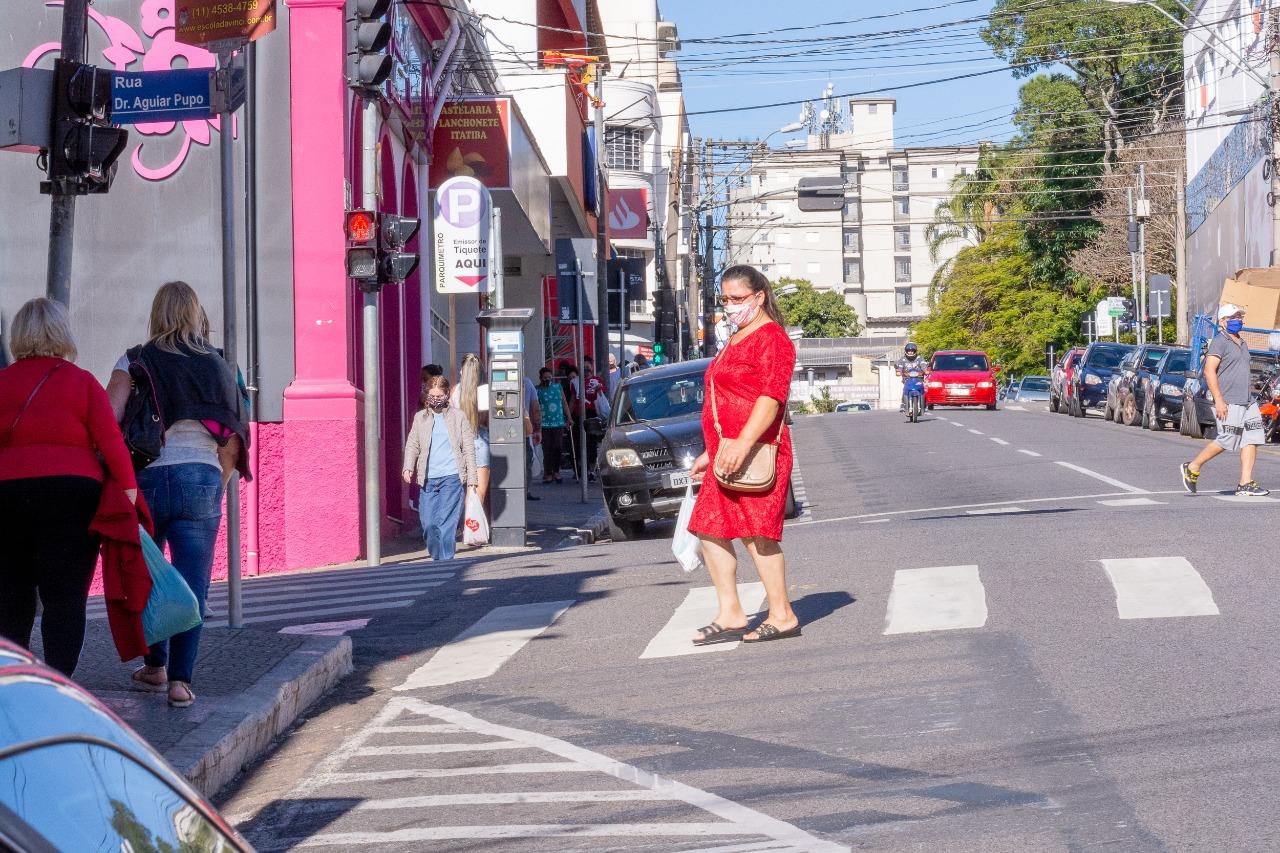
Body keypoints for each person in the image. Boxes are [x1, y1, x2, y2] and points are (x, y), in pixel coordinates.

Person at [107, 282, 249, 708]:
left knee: (150, 577)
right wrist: (217, 482)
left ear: (157, 315)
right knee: (193, 584)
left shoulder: (133, 360)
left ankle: (155, 666)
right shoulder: (222, 364)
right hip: (201, 477)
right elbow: (237, 433)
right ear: (194, 314)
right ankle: (180, 682)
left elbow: (109, 419)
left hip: (146, 480)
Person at [0, 299, 137, 677]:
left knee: (11, 594)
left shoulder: (2, 382)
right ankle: (59, 680)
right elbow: (111, 442)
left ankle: (14, 677)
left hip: (7, 494)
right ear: (62, 333)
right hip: (73, 496)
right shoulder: (82, 382)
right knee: (65, 597)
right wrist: (129, 495)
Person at [688, 265, 799, 645]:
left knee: (757, 534)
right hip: (726, 454)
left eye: (738, 299)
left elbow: (770, 400)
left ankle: (782, 615)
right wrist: (712, 450)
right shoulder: (736, 338)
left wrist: (741, 444)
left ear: (759, 296)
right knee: (709, 527)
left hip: (758, 451)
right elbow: (727, 399)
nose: (731, 306)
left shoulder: (773, 340)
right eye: (725, 300)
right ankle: (731, 613)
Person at [1180, 303, 1269, 497]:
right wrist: (1219, 400)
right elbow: (1209, 370)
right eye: (1234, 317)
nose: (1239, 320)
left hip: (1248, 401)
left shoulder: (1242, 342)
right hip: (1229, 400)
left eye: (1240, 316)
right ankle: (1193, 466)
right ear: (1223, 321)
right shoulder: (1220, 341)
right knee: (1228, 440)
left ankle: (1245, 482)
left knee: (1252, 439)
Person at [403, 375, 477, 560]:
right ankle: (438, 558)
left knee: (446, 524)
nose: (435, 399)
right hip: (428, 479)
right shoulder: (420, 418)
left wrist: (472, 480)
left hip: (452, 478)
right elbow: (413, 444)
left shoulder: (458, 417)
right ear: (426, 395)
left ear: (446, 395)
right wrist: (408, 466)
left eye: (439, 395)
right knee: (428, 524)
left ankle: (445, 562)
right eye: (431, 395)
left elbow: (468, 448)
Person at [452, 354, 491, 506]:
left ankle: (464, 528)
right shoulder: (485, 391)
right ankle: (472, 528)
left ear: (463, 370)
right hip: (480, 441)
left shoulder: (455, 391)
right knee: (477, 494)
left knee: (461, 491)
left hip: (460, 444)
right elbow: (488, 420)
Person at [536, 367, 570, 484]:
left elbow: (564, 402)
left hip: (558, 422)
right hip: (544, 423)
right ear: (540, 378)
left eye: (549, 377)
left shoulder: (557, 387)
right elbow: (535, 407)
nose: (547, 380)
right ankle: (548, 472)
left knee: (558, 446)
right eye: (545, 378)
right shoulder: (537, 390)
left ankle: (556, 471)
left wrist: (569, 417)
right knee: (547, 448)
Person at [894, 342, 927, 412]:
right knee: (905, 389)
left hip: (919, 378)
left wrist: (925, 370)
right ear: (906, 351)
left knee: (922, 388)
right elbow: (899, 367)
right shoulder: (902, 359)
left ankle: (924, 404)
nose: (910, 352)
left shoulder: (919, 358)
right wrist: (899, 371)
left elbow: (923, 365)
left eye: (912, 351)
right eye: (909, 351)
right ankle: (903, 404)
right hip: (907, 378)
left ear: (915, 351)